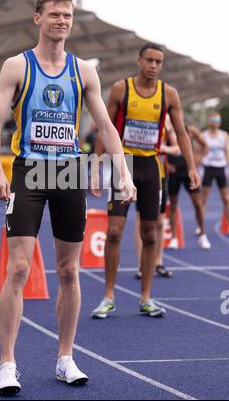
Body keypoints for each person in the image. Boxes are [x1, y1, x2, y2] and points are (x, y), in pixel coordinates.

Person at [0, 0, 136, 396]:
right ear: (37, 18)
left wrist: (123, 174)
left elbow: (105, 126)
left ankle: (65, 358)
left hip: (69, 169)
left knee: (69, 270)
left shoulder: (84, 71)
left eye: (67, 15)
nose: (62, 21)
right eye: (54, 14)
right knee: (18, 268)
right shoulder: (17, 66)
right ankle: (7, 364)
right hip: (29, 170)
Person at [90, 43, 201, 319]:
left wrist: (191, 167)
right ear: (139, 61)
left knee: (150, 234)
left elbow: (182, 134)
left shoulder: (169, 94)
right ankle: (109, 296)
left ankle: (146, 298)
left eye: (158, 61)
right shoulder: (121, 89)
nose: (153, 65)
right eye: (149, 60)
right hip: (123, 164)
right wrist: (95, 167)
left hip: (152, 167)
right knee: (114, 231)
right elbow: (105, 128)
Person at [134, 114, 180, 279]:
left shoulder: (166, 118)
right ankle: (141, 264)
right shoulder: (137, 113)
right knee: (141, 219)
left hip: (160, 174)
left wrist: (162, 148)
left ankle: (158, 262)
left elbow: (177, 148)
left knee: (159, 222)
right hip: (137, 169)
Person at [167, 124, 210, 249]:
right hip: (174, 172)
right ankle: (174, 237)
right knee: (173, 205)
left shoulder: (190, 130)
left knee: (198, 203)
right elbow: (158, 147)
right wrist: (166, 163)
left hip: (188, 171)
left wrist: (198, 159)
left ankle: (203, 235)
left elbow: (205, 145)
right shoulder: (167, 128)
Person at [201, 111, 229, 231]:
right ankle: (200, 226)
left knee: (225, 198)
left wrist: (228, 167)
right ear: (209, 121)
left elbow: (227, 152)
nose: (215, 123)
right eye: (213, 120)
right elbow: (198, 152)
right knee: (203, 199)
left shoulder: (224, 135)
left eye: (217, 120)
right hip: (208, 167)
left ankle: (227, 224)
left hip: (221, 168)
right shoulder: (204, 135)